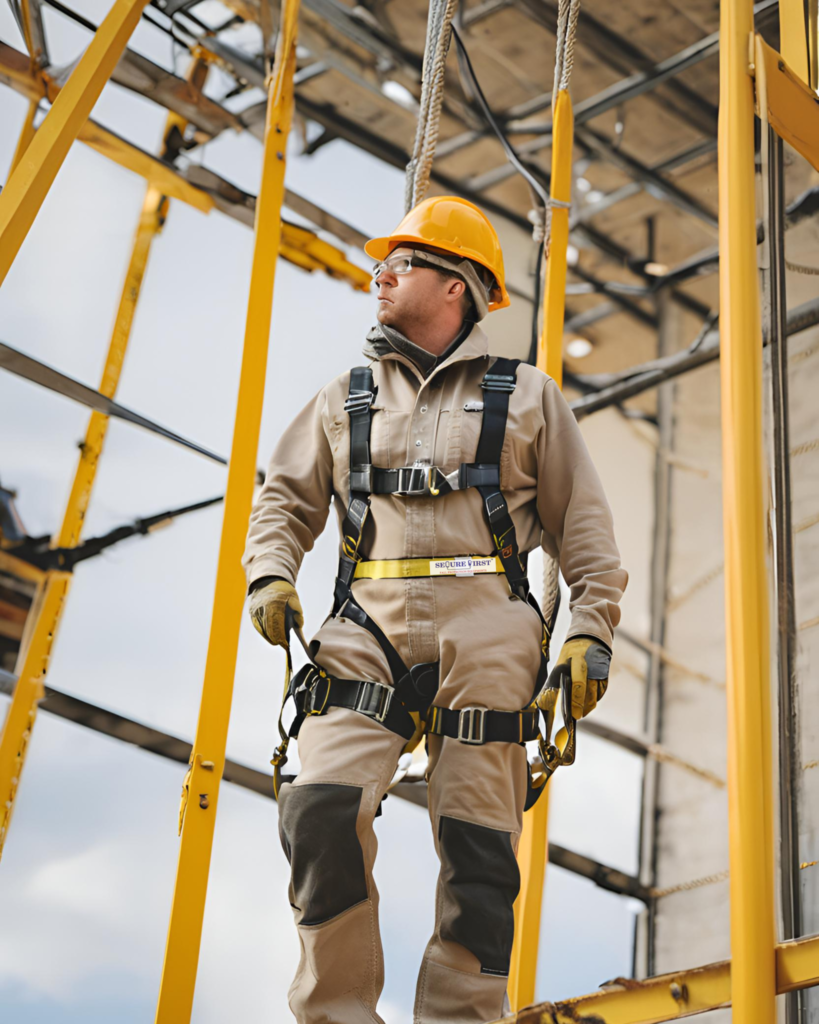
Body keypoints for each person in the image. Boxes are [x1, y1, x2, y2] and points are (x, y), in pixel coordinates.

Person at [243, 195, 627, 1024]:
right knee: (317, 812)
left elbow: (584, 531)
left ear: (454, 284)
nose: (379, 276)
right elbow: (282, 503)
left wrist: (588, 633)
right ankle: (337, 1014)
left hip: (488, 625)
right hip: (366, 623)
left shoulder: (526, 398)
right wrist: (270, 575)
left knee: (479, 853)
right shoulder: (342, 396)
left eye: (401, 263)